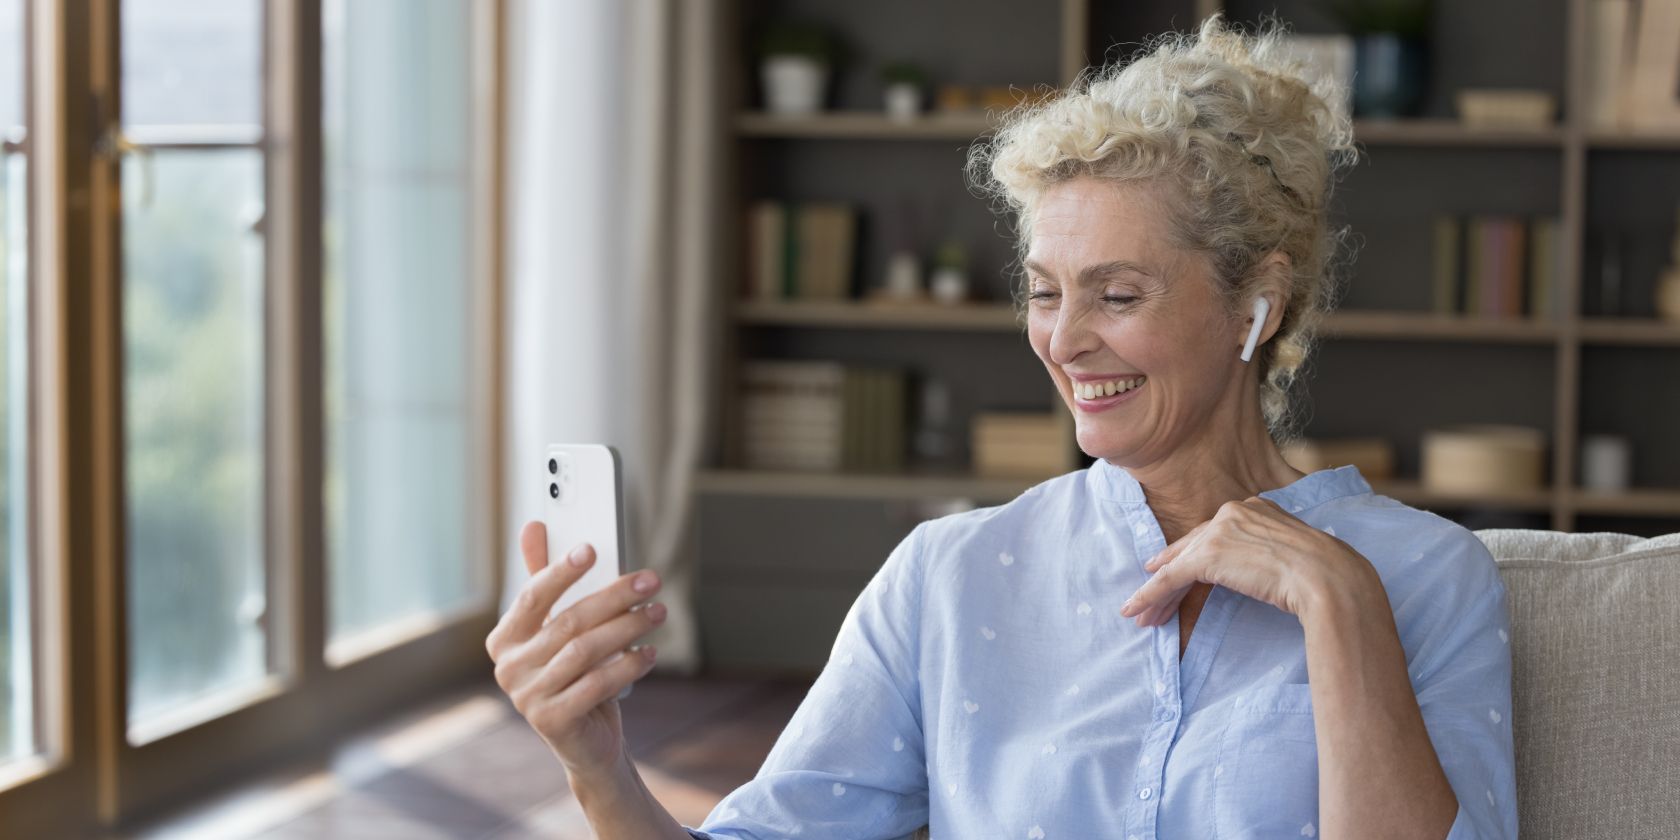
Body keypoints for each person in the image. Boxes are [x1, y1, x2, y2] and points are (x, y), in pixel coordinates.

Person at [485, 15, 1517, 840]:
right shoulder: (949, 575)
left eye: (1116, 295)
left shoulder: (1422, 578)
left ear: (1257, 302)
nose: (1064, 341)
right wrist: (598, 766)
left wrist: (1336, 604)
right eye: (1041, 293)